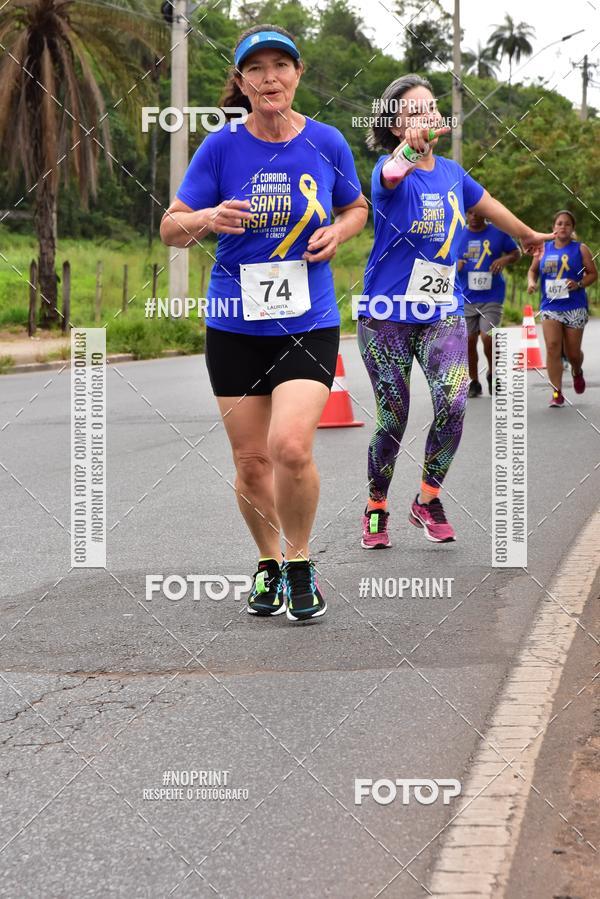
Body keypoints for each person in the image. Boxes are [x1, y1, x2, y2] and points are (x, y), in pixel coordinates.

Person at [160, 25, 368, 619]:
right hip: (233, 323)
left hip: (308, 319)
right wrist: (208, 215)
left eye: (280, 65)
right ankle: (268, 563)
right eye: (256, 69)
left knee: (291, 448)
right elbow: (171, 228)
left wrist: (339, 231)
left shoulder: (327, 142)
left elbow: (356, 205)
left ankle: (300, 561)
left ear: (298, 74)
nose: (269, 77)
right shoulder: (221, 147)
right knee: (251, 461)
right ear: (242, 83)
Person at [358, 74, 553, 548]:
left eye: (432, 106)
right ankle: (377, 504)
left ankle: (426, 500)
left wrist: (528, 235)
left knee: (455, 400)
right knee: (394, 415)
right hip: (386, 313)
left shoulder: (452, 172)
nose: (428, 114)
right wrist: (407, 150)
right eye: (415, 109)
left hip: (441, 308)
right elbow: (390, 175)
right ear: (395, 123)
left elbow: (489, 203)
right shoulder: (388, 170)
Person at [527, 210, 597, 407]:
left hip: (574, 306)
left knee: (573, 353)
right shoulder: (543, 249)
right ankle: (556, 392)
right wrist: (531, 283)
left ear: (572, 228)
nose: (563, 227)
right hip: (550, 306)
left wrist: (579, 283)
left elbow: (593, 274)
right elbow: (532, 271)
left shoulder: (580, 249)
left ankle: (577, 370)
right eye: (559, 223)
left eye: (567, 224)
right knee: (552, 347)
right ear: (553, 228)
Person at [456, 208, 520, 398]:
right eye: (471, 213)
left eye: (478, 213)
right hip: (466, 297)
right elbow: (444, 256)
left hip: (492, 297)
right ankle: (474, 381)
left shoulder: (498, 232)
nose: (474, 217)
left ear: (485, 213)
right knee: (468, 341)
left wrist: (504, 259)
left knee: (488, 336)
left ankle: (493, 374)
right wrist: (456, 264)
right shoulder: (458, 234)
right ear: (466, 214)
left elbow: (516, 253)